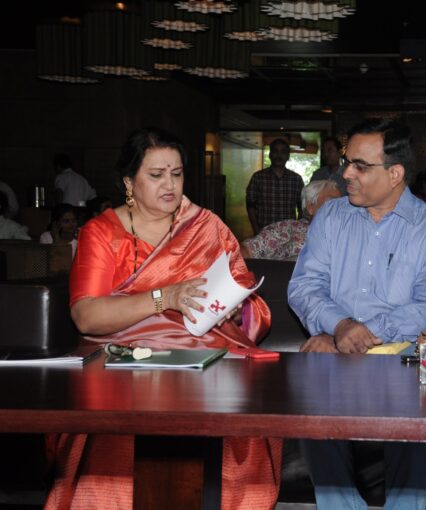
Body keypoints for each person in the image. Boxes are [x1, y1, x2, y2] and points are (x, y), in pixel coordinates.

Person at [46, 127, 281, 510]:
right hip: (125, 362)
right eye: (156, 175)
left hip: (206, 360)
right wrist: (163, 297)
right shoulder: (102, 233)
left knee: (242, 422)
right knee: (113, 435)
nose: (169, 185)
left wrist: (237, 308)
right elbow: (86, 317)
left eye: (176, 173)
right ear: (128, 182)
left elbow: (250, 304)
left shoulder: (207, 227)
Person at [288, 118, 426, 510]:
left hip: (400, 353)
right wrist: (338, 327)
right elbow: (303, 287)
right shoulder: (331, 217)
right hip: (333, 344)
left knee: (419, 386)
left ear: (395, 174)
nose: (346, 173)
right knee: (313, 372)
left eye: (360, 166)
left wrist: (362, 333)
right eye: (347, 162)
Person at [241, 179, 341, 260]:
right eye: (331, 202)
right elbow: (246, 251)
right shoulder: (287, 229)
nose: (340, 207)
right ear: (310, 207)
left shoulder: (348, 232)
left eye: (342, 203)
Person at [246, 138, 304, 235]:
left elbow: (302, 208)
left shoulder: (296, 179)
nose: (279, 155)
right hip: (263, 235)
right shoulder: (258, 177)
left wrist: (297, 231)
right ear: (270, 155)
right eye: (275, 151)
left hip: (288, 235)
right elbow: (250, 205)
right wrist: (256, 230)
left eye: (283, 152)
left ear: (288, 156)